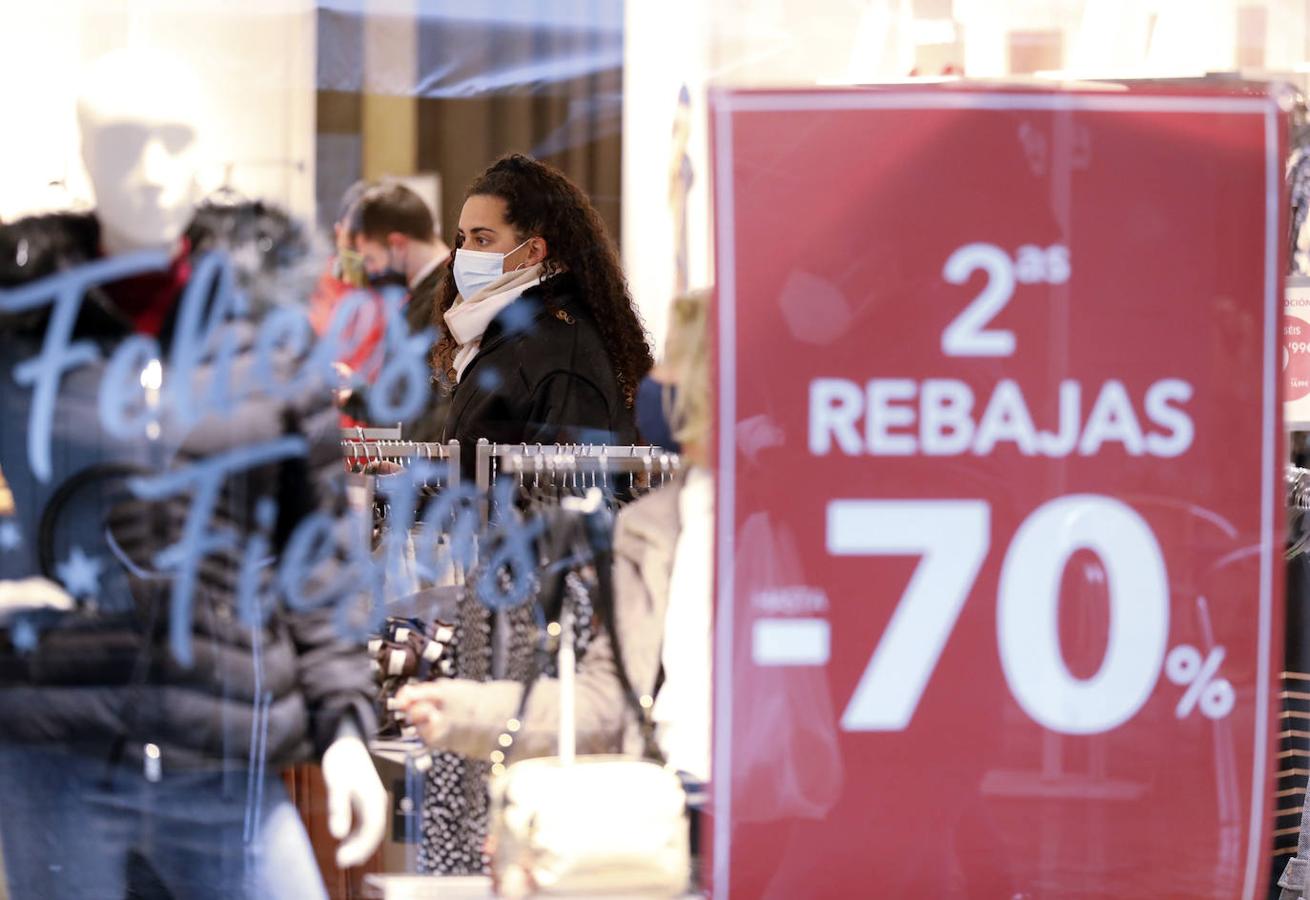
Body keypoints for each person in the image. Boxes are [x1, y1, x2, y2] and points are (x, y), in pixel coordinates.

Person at [0, 49, 385, 900]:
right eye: (124, 142)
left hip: (224, 756)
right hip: (56, 749)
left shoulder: (271, 340)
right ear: (85, 157)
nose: (149, 170)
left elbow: (315, 552)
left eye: (172, 141)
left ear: (207, 159)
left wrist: (347, 729)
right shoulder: (21, 332)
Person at [395, 289, 712, 776]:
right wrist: (463, 708)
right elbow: (606, 704)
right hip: (672, 814)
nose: (657, 380)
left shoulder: (800, 520)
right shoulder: (653, 528)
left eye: (674, 362)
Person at [433, 154, 651, 473]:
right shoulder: (504, 336)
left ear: (533, 251)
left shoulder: (558, 352)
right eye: (463, 239)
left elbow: (566, 498)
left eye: (482, 239)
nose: (465, 254)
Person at [339, 182, 452, 441]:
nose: (370, 272)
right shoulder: (425, 295)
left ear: (398, 244)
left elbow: (432, 410)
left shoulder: (446, 299)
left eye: (370, 260)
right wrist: (355, 393)